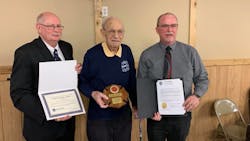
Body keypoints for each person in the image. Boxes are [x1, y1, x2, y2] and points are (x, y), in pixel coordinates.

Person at [10, 12, 82, 141]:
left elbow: (65, 80)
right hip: (41, 128)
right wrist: (49, 113)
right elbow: (19, 94)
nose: (56, 30)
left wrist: (75, 73)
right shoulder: (25, 53)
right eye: (50, 26)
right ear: (39, 28)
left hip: (67, 125)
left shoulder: (66, 47)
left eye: (59, 26)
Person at [137, 12, 209, 141]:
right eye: (165, 26)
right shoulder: (147, 55)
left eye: (173, 26)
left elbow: (202, 78)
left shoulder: (190, 52)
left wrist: (196, 95)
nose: (169, 30)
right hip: (156, 115)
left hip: (182, 114)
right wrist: (149, 110)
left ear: (177, 28)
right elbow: (142, 85)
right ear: (157, 29)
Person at [78, 16, 137, 141]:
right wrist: (93, 93)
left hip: (123, 116)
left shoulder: (127, 51)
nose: (116, 35)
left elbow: (132, 81)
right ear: (103, 32)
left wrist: (136, 105)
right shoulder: (92, 54)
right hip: (99, 118)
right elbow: (82, 82)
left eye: (120, 31)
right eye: (111, 31)